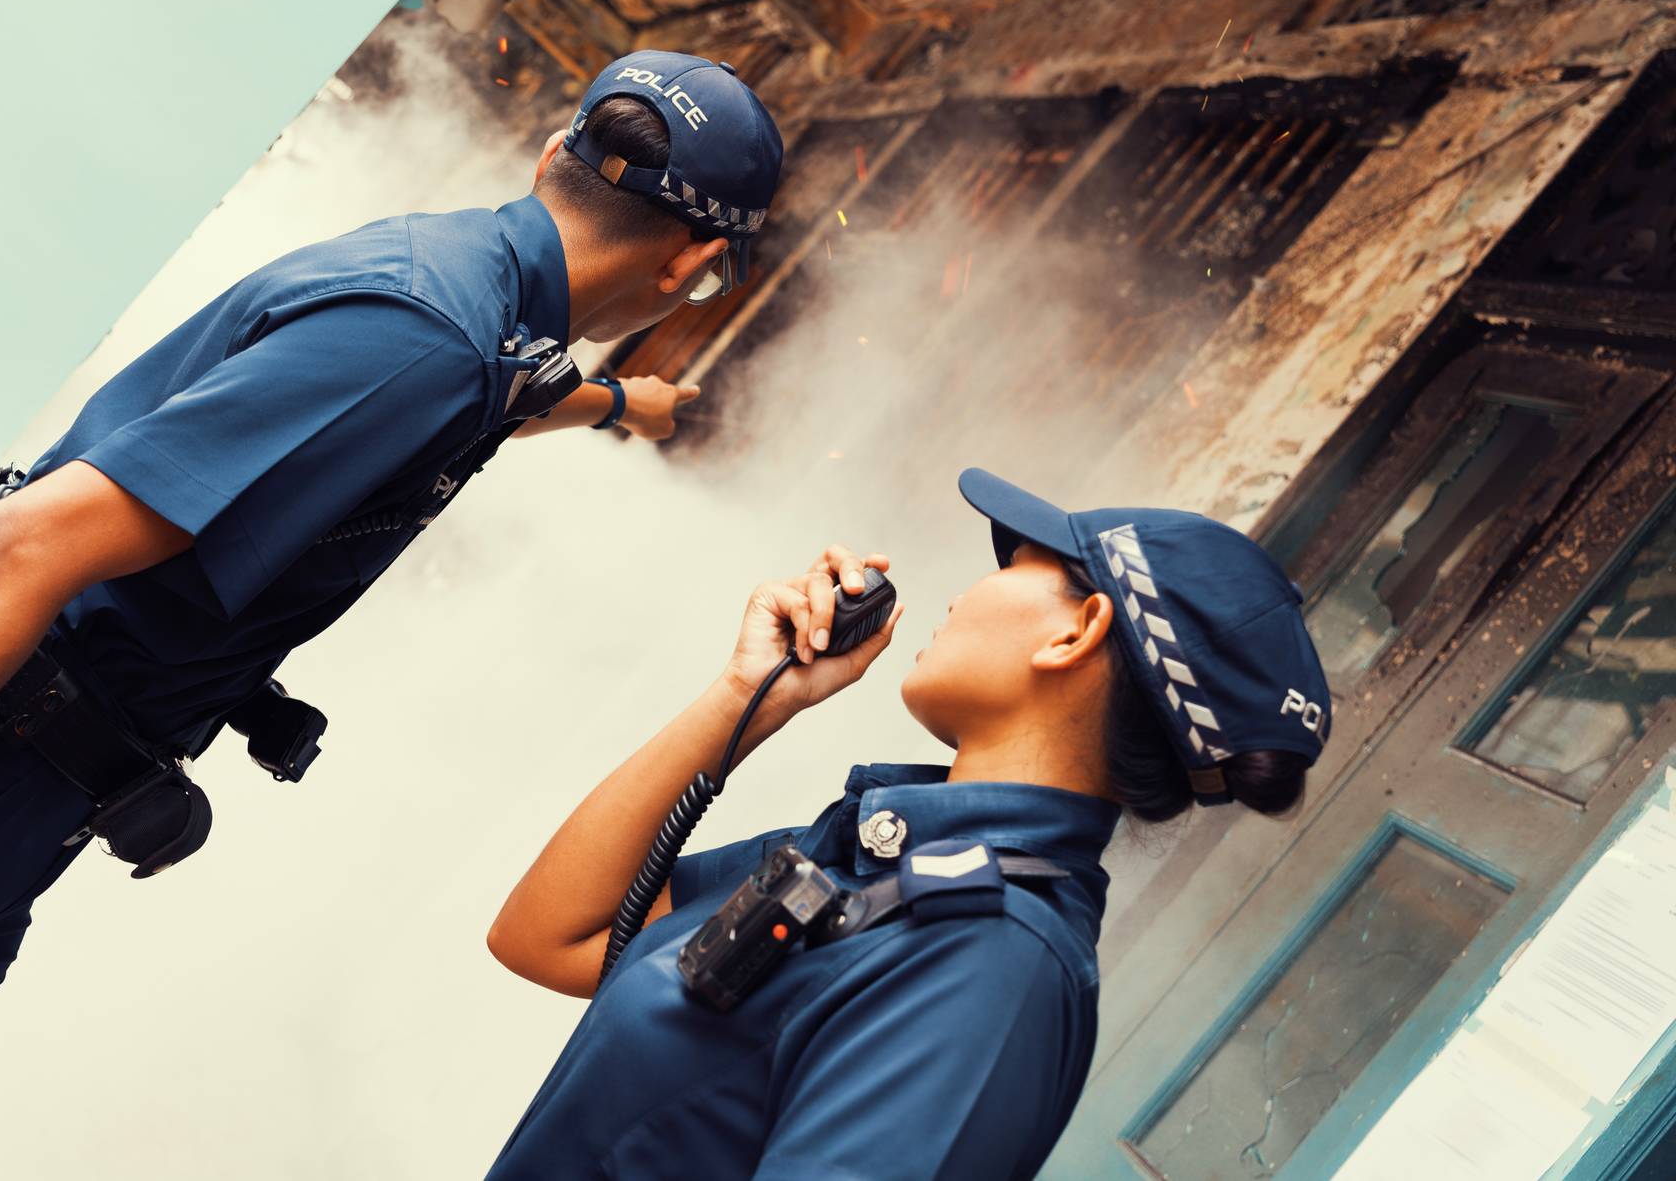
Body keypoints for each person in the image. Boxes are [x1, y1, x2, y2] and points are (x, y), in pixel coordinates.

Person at [0, 49, 783, 1175]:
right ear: (691, 266)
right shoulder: (427, 338)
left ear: (555, 152)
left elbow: (508, 393)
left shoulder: (481, 313)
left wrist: (619, 407)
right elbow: (13, 555)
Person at [485, 468, 1331, 1179]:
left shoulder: (998, 965)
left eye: (1019, 562)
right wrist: (745, 697)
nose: (967, 590)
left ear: (1077, 630)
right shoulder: (877, 852)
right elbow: (547, 936)